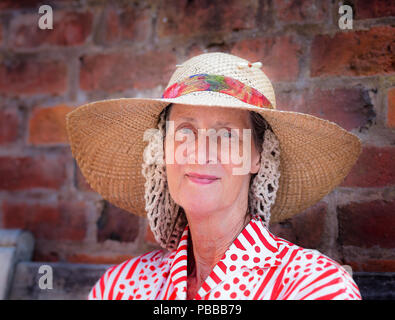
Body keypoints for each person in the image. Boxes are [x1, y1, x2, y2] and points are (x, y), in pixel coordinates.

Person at [66, 52, 362, 300]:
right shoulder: (120, 288)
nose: (199, 153)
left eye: (226, 134)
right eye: (184, 131)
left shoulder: (313, 286)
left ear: (258, 156)